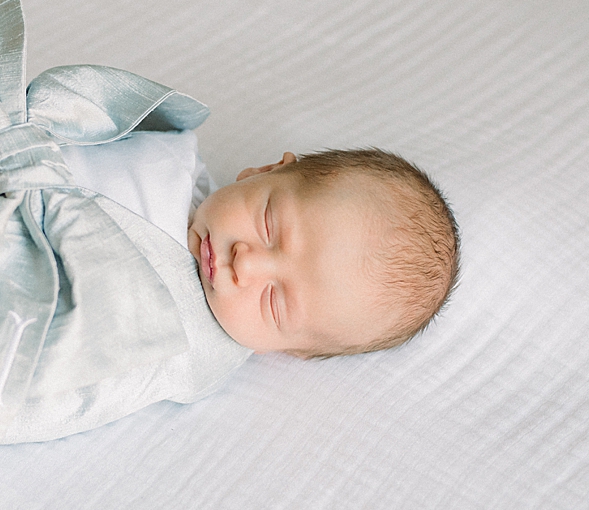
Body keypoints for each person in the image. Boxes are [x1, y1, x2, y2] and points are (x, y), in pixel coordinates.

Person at [189, 147, 459, 359]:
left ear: (284, 348)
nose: (245, 264)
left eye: (274, 305)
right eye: (268, 225)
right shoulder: (174, 160)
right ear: (265, 171)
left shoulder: (189, 358)